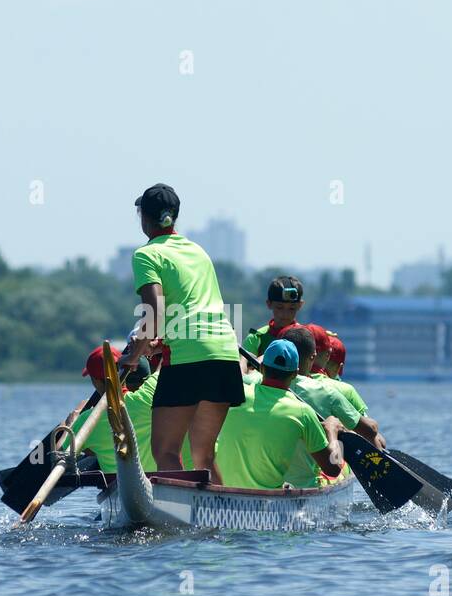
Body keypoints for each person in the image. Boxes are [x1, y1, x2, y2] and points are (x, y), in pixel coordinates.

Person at [119, 184, 243, 482]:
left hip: (188, 359)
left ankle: (174, 519)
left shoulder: (146, 254)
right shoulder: (198, 251)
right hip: (225, 353)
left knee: (165, 450)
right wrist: (160, 339)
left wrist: (133, 357)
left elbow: (155, 311)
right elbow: (190, 308)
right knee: (203, 454)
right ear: (174, 217)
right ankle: (218, 518)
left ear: (143, 218)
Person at [214, 339, 344, 489]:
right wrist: (332, 433)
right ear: (295, 374)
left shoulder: (237, 393)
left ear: (261, 367)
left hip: (223, 493)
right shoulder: (303, 412)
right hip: (269, 502)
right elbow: (333, 469)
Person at [72, 346, 190, 473]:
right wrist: (147, 344)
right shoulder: (150, 395)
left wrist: (72, 422)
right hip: (161, 482)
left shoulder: (86, 422)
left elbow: (59, 454)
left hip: (118, 486)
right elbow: (169, 357)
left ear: (95, 381)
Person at [274, 325, 386, 450]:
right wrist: (333, 431)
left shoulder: (254, 382)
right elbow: (371, 432)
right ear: (317, 355)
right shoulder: (332, 392)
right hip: (323, 463)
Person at [240, 276, 304, 362]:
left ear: (300, 305)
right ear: (269, 304)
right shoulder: (256, 338)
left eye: (292, 308)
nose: (285, 314)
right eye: (279, 307)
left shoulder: (306, 338)